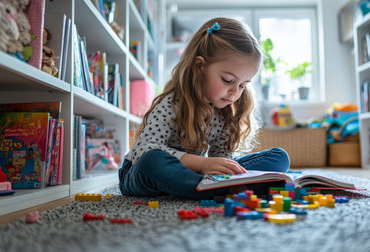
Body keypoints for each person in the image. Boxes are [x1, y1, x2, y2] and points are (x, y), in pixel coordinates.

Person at [119, 17, 290, 199]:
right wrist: (201, 164)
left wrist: (223, 169)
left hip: (195, 176)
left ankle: (214, 187)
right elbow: (142, 150)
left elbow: (221, 158)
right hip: (144, 175)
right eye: (228, 80)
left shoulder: (225, 111)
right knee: (152, 161)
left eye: (242, 85)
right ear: (200, 67)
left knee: (279, 157)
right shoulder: (172, 103)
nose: (235, 92)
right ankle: (217, 189)